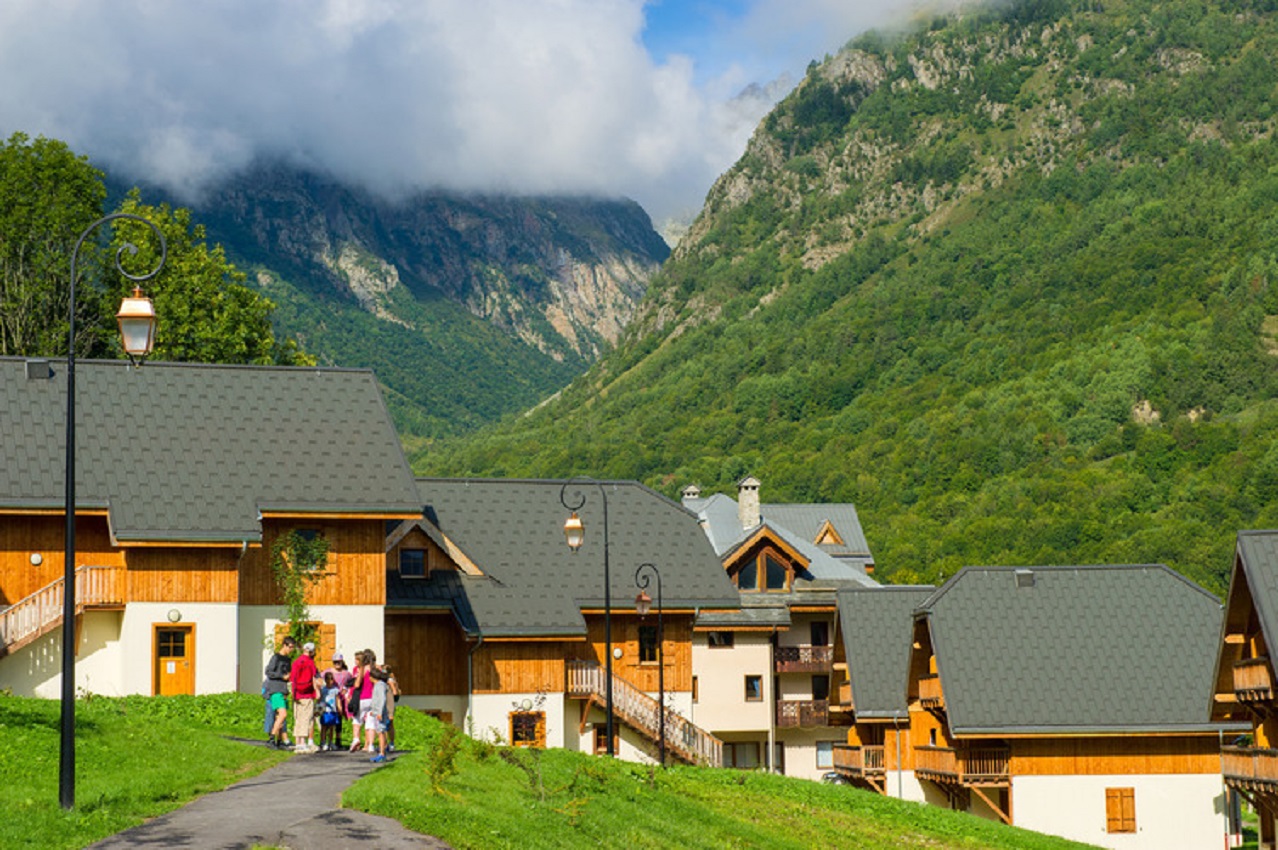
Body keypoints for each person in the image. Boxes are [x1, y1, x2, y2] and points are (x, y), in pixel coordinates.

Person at [263, 636, 296, 749]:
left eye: (293, 648)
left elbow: (288, 676)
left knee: (281, 717)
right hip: (275, 689)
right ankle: (271, 739)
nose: (291, 650)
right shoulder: (276, 658)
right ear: (284, 645)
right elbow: (268, 672)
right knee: (283, 714)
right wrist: (282, 676)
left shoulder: (288, 660)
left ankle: (280, 741)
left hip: (283, 690)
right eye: (290, 647)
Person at [291, 641, 322, 754]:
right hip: (307, 694)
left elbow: (293, 678)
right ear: (312, 651)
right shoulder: (310, 662)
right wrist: (317, 691)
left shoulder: (296, 662)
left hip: (297, 694)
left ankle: (298, 742)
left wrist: (293, 693)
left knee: (298, 717)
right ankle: (303, 743)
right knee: (306, 718)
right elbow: (313, 678)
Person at [322, 651, 353, 749]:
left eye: (339, 662)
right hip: (330, 699)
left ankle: (337, 741)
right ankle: (324, 741)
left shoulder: (346, 673)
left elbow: (351, 682)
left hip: (341, 699)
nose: (337, 664)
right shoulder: (328, 671)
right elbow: (319, 678)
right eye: (335, 662)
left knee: (338, 720)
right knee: (327, 722)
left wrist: (346, 689)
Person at [368, 664, 391, 763]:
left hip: (380, 713)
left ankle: (382, 753)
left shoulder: (380, 685)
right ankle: (382, 752)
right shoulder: (378, 685)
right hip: (376, 712)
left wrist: (380, 712)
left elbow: (382, 699)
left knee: (381, 732)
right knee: (379, 732)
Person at [318, 671, 341, 752]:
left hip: (333, 710)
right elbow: (320, 699)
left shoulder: (335, 689)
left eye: (331, 679)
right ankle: (323, 742)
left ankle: (331, 742)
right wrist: (318, 708)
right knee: (324, 727)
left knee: (332, 727)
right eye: (328, 679)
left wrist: (339, 707)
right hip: (325, 710)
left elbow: (337, 699)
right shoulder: (323, 689)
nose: (330, 681)